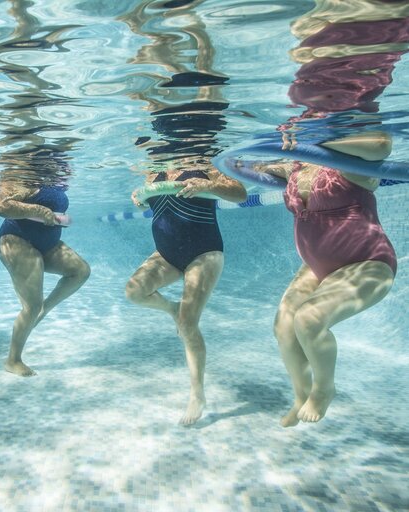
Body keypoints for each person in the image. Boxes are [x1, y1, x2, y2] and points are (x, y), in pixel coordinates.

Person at [251, 133, 397, 426]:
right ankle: (300, 394)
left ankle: (324, 389)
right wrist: (259, 163)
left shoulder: (347, 162)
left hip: (367, 262)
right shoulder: (298, 166)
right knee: (284, 326)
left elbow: (381, 144)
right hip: (316, 267)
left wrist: (311, 145)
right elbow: (258, 167)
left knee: (308, 318)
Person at [126, 161, 246, 425]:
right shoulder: (152, 169)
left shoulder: (204, 164)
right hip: (166, 254)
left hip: (205, 252)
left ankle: (197, 394)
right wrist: (139, 195)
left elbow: (240, 192)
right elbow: (149, 199)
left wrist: (209, 185)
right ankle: (172, 309)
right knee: (134, 292)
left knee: (189, 323)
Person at [0, 176, 90, 377]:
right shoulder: (26, 175)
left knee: (80, 271)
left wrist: (57, 217)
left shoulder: (55, 176)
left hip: (47, 244)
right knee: (31, 306)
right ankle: (12, 360)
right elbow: (3, 208)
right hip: (16, 240)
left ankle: (44, 309)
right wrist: (37, 211)